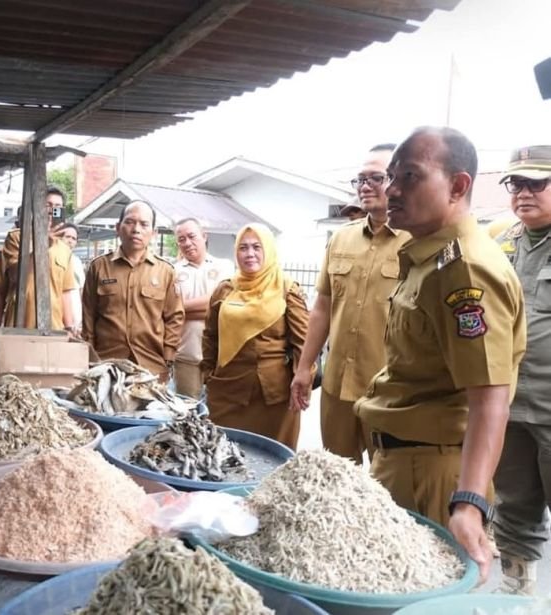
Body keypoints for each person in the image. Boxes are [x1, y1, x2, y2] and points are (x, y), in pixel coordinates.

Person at [354, 127, 526, 583]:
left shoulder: (464, 270)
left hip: (432, 475)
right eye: (392, 177)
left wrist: (469, 503)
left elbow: (491, 398)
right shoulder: (430, 260)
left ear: (457, 186)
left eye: (410, 176)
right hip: (405, 462)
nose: (392, 190)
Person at [290, 144, 410, 464]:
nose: (365, 186)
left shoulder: (417, 242)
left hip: (390, 392)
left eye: (376, 178)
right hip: (337, 387)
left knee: (387, 481)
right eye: (360, 179)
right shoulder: (341, 239)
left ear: (399, 180)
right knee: (337, 475)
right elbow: (322, 309)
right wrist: (304, 367)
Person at [491, 145, 551, 594]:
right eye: (516, 183)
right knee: (513, 505)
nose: (524, 192)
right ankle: (517, 591)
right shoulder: (501, 245)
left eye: (537, 183)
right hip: (509, 405)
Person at [201, 223, 310, 450]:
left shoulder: (286, 289)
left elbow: (304, 343)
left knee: (273, 457)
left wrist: (301, 385)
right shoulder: (225, 289)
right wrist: (208, 375)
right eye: (243, 248)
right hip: (227, 389)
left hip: (274, 395)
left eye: (256, 247)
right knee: (222, 453)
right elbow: (210, 336)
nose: (249, 254)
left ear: (268, 249)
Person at [82, 201, 184, 380]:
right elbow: (88, 314)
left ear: (154, 233)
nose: (136, 229)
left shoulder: (166, 271)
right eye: (129, 222)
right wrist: (90, 355)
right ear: (118, 228)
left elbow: (174, 316)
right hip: (106, 363)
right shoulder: (98, 267)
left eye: (144, 224)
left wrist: (168, 355)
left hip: (151, 364)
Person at [0, 189, 76, 330]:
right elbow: (14, 277)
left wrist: (69, 327)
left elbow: (65, 292)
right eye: (48, 205)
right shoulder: (17, 238)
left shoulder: (64, 249)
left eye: (57, 207)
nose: (52, 211)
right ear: (37, 208)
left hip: (53, 328)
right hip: (19, 327)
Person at [172, 218, 234, 399]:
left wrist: (181, 309)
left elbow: (224, 305)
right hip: (186, 355)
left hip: (219, 355)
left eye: (192, 236)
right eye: (181, 239)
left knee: (218, 409)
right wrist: (212, 307)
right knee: (187, 408)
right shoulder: (172, 271)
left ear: (204, 236)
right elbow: (168, 311)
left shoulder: (224, 266)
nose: (187, 243)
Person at [60, 222, 85, 334]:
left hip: (76, 316)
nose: (70, 241)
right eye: (67, 237)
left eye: (73, 238)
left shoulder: (77, 262)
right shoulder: (53, 257)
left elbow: (81, 290)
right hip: (59, 317)